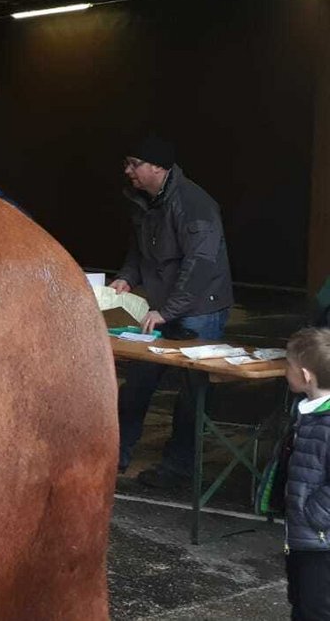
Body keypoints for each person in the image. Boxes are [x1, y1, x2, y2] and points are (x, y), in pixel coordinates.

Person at [112, 136, 234, 489]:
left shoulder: (194, 203)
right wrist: (126, 278)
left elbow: (200, 265)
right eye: (126, 163)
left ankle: (178, 468)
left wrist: (166, 311)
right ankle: (114, 456)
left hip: (199, 310)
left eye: (135, 163)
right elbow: (138, 251)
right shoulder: (143, 201)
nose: (128, 170)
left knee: (192, 391)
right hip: (163, 310)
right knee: (138, 381)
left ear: (158, 166)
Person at [281, 327, 330, 620]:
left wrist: (313, 514)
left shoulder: (325, 422)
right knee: (300, 601)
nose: (284, 370)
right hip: (304, 536)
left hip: (321, 541)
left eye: (288, 365)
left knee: (316, 609)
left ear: (305, 375)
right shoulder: (309, 413)